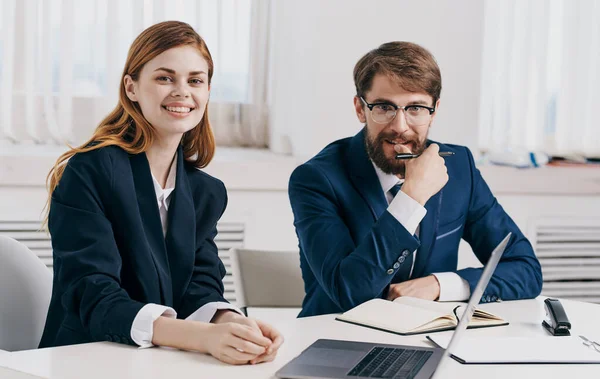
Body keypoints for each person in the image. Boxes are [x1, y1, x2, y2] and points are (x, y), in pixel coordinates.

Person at [39, 21, 283, 365]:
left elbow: (200, 286)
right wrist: (202, 337)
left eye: (195, 80)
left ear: (208, 91)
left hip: (159, 362)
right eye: (165, 78)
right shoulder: (91, 170)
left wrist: (234, 325)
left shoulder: (205, 192)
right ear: (132, 87)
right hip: (83, 359)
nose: (182, 91)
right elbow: (93, 295)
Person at [288, 41, 543, 317]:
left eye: (416, 108)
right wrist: (411, 198)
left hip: (429, 337)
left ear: (434, 111)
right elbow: (350, 292)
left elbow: (526, 269)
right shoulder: (316, 179)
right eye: (384, 107)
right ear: (361, 109)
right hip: (337, 339)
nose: (400, 126)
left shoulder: (459, 168)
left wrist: (441, 285)